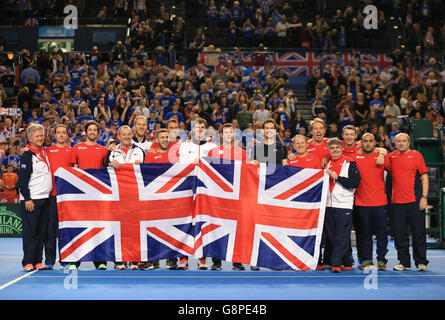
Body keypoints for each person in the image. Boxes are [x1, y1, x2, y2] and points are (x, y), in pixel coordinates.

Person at [177, 118, 217, 270]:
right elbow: (180, 167)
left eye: (202, 127)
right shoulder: (184, 146)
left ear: (206, 129)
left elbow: (215, 168)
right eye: (196, 127)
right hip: (187, 187)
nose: (199, 129)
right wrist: (191, 164)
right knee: (185, 222)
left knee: (203, 221)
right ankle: (183, 257)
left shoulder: (213, 146)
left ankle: (202, 257)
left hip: (206, 190)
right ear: (191, 130)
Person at [207, 123, 248, 271]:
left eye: (231, 132)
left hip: (236, 196)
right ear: (221, 135)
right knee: (216, 228)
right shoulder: (213, 152)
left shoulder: (242, 153)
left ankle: (237, 261)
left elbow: (247, 174)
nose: (228, 135)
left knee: (236, 229)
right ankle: (216, 261)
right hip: (217, 196)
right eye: (225, 132)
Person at [69, 120, 108, 270]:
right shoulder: (76, 148)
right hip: (80, 195)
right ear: (86, 132)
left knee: (99, 228)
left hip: (98, 196)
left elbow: (106, 172)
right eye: (89, 130)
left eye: (94, 130)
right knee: (79, 227)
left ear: (98, 133)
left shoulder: (103, 150)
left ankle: (100, 261)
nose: (92, 132)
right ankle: (74, 261)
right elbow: (72, 170)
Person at [387, 133, 429, 271]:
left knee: (419, 234)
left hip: (415, 201)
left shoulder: (417, 155)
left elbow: (424, 177)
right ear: (394, 143)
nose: (401, 143)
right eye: (398, 141)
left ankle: (421, 262)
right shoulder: (391, 156)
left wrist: (424, 196)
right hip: (396, 203)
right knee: (400, 235)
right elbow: (377, 159)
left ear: (408, 142)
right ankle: (404, 262)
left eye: (403, 141)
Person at [250, 118, 287, 270]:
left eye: (272, 128)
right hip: (259, 193)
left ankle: (275, 260)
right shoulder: (256, 149)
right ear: (263, 131)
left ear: (275, 131)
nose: (269, 130)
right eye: (267, 128)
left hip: (276, 194)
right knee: (257, 227)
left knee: (275, 228)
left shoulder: (282, 148)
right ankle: (255, 260)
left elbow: (285, 171)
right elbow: (251, 171)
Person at [107, 125, 145, 270]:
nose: (127, 137)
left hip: (135, 196)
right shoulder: (111, 151)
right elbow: (104, 169)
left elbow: (146, 172)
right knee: (118, 228)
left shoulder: (139, 151)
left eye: (129, 134)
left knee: (134, 228)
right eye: (124, 134)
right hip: (117, 195)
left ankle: (134, 259)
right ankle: (119, 260)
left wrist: (141, 165)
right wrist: (110, 163)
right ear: (119, 136)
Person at [17, 124, 52, 271]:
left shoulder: (44, 152)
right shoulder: (27, 155)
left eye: (41, 135)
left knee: (40, 232)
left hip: (45, 198)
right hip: (32, 199)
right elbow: (22, 180)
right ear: (30, 138)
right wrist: (28, 198)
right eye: (37, 136)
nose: (40, 138)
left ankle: (38, 261)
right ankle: (27, 262)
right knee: (30, 232)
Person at [324, 138, 361, 273]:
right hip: (328, 205)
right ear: (329, 150)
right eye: (332, 148)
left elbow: (355, 182)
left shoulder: (349, 163)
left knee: (341, 236)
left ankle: (336, 263)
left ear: (341, 149)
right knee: (332, 236)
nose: (334, 150)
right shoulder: (327, 163)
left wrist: (337, 177)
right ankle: (345, 261)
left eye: (337, 148)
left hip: (344, 205)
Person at [354, 133, 390, 271]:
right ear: (361, 143)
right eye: (365, 141)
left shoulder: (382, 157)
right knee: (365, 235)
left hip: (380, 202)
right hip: (362, 203)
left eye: (370, 141)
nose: (368, 143)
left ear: (375, 142)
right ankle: (367, 260)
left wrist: (382, 151)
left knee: (382, 234)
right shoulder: (355, 157)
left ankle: (382, 261)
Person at [45, 124, 72, 270]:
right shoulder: (47, 150)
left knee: (65, 230)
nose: (61, 135)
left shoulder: (71, 151)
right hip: (51, 195)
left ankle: (65, 259)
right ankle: (49, 260)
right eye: (58, 133)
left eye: (63, 133)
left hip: (66, 197)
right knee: (50, 230)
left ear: (67, 135)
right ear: (54, 134)